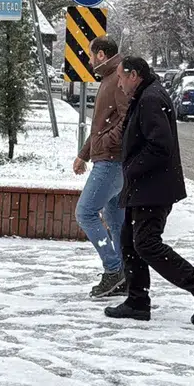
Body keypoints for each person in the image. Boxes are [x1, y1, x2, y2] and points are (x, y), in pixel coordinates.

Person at [105, 56, 194, 325]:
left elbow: (160, 146)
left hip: (153, 188)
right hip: (143, 187)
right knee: (129, 242)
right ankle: (137, 302)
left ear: (134, 75)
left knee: (146, 243)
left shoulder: (150, 99)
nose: (119, 83)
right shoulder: (146, 94)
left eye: (121, 77)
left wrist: (131, 168)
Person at [72, 36, 129, 298]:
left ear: (102, 55)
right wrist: (84, 154)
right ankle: (125, 275)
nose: (89, 60)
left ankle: (114, 269)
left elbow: (127, 121)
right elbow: (101, 125)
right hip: (112, 160)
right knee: (116, 222)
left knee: (85, 212)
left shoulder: (117, 79)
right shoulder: (110, 78)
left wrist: (105, 143)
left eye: (91, 55)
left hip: (111, 162)